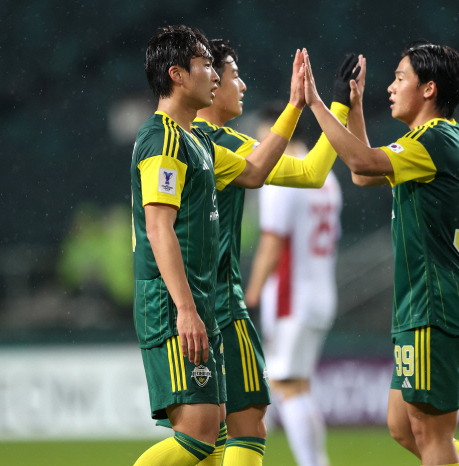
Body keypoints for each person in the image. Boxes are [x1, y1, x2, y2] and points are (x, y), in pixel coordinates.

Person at [298, 42, 459, 466]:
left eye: (400, 78)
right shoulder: (434, 140)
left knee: (431, 431)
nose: (391, 87)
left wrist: (318, 104)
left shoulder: (433, 141)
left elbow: (361, 162)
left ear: (429, 89)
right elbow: (364, 176)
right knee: (403, 424)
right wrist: (356, 108)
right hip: (425, 302)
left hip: (436, 304)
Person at [180, 39, 363, 466]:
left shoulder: (217, 144)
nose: (241, 85)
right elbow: (314, 174)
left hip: (222, 301)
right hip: (203, 302)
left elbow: (308, 173)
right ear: (208, 82)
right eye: (234, 76)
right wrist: (314, 105)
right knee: (217, 427)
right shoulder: (195, 144)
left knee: (232, 423)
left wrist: (331, 105)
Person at [131, 25, 305, 466]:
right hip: (174, 304)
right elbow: (158, 229)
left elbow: (254, 171)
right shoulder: (163, 140)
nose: (214, 74)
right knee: (198, 434)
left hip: (198, 302)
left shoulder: (196, 141)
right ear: (176, 75)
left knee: (214, 428)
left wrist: (297, 107)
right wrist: (186, 311)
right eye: (206, 65)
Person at [244, 112, 343, 466]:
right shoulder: (326, 176)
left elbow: (272, 243)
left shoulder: (282, 174)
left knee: (287, 386)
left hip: (291, 297)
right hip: (320, 292)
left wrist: (250, 294)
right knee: (294, 386)